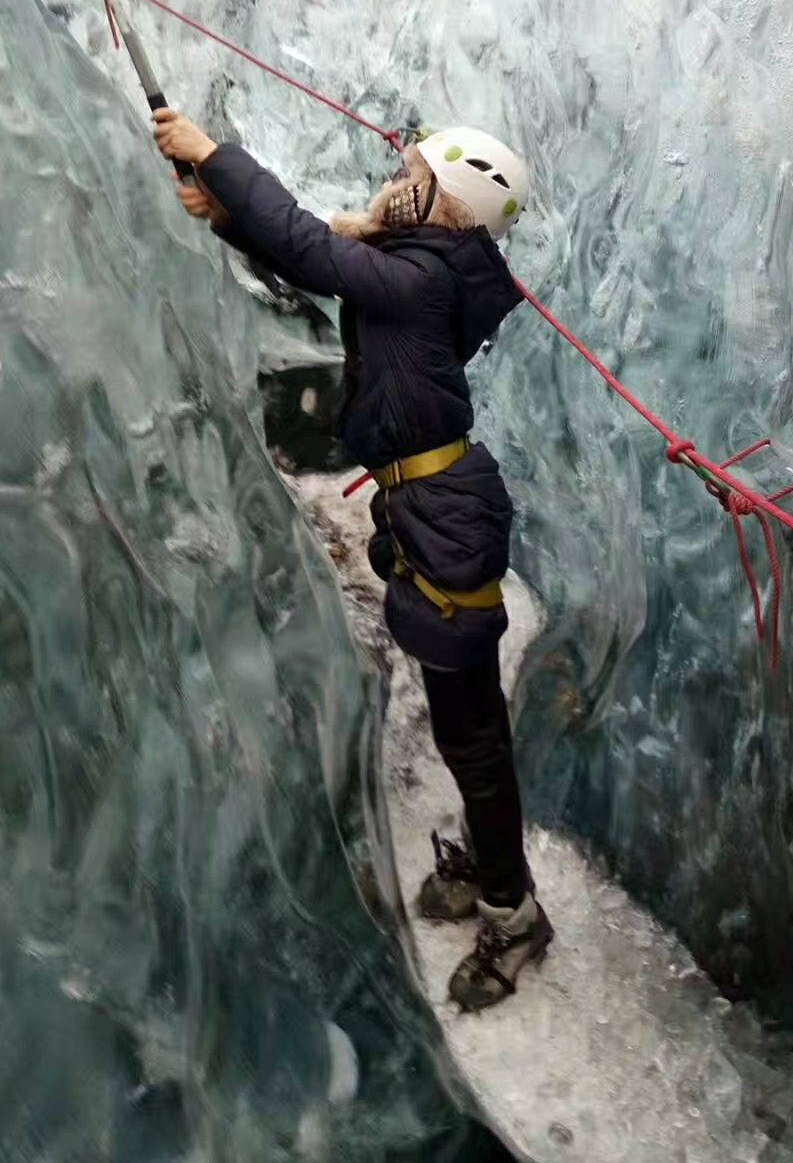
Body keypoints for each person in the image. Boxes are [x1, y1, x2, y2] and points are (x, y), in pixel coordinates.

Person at [152, 107, 553, 1010]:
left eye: (410, 166)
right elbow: (324, 257)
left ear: (442, 198)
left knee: (474, 739)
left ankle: (513, 914)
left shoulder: (416, 280)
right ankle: (494, 877)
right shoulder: (421, 274)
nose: (393, 171)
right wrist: (226, 214)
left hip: (443, 514)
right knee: (466, 726)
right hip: (433, 508)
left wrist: (216, 155)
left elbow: (308, 246)